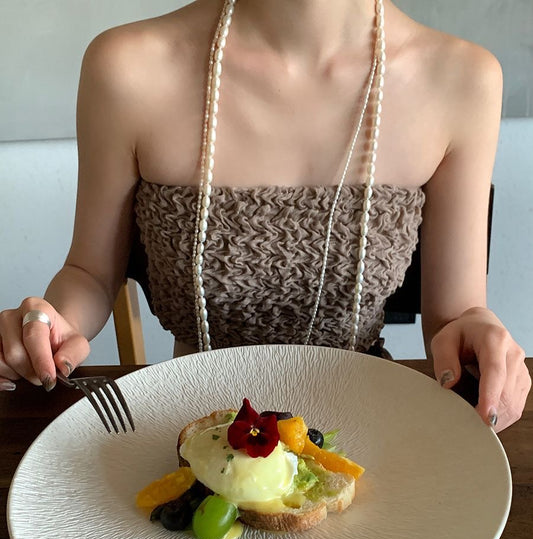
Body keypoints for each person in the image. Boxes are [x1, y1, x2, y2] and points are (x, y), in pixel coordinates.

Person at [0, 0, 530, 432]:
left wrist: (479, 333)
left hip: (366, 426)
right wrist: (49, 327)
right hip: (177, 423)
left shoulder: (463, 80)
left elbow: (456, 317)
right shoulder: (126, 67)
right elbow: (90, 273)